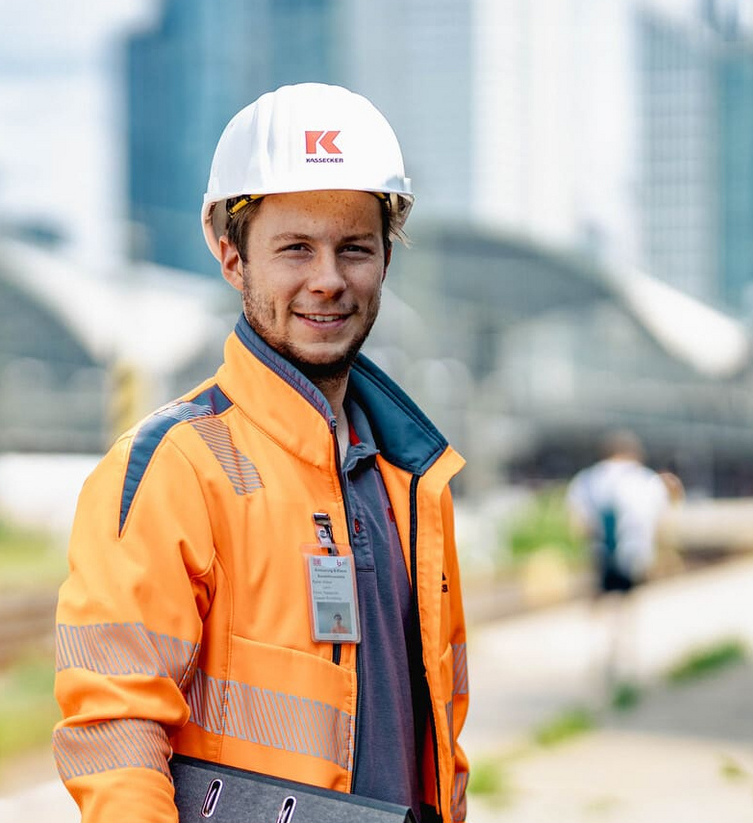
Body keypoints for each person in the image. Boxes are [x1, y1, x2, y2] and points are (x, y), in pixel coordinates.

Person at [52, 83, 471, 823]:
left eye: (354, 249)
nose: (328, 280)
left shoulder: (413, 483)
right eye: (295, 249)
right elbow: (115, 731)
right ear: (231, 256)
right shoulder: (178, 467)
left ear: (385, 257)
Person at [565, 430, 674, 691]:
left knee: (599, 603)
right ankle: (626, 658)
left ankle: (599, 655)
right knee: (628, 604)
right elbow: (661, 522)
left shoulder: (587, 480)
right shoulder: (647, 480)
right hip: (635, 552)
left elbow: (577, 522)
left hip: (599, 551)